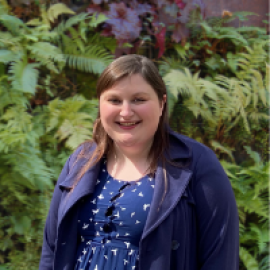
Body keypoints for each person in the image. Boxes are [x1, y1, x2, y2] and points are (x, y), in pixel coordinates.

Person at [39, 54, 239, 270]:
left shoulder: (197, 164)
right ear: (100, 103)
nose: (126, 112)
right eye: (114, 100)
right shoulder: (80, 161)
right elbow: (52, 250)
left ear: (162, 103)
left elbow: (221, 258)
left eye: (138, 100)